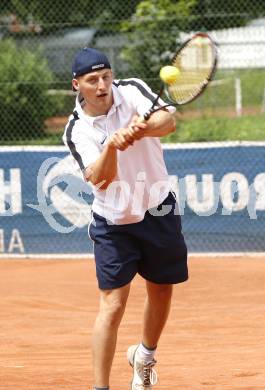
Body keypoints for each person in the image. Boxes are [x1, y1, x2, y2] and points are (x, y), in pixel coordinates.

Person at [63, 47, 188, 390]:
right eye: (93, 80)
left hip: (158, 207)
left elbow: (168, 121)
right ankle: (100, 387)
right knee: (113, 304)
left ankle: (144, 358)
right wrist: (112, 146)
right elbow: (101, 179)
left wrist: (141, 129)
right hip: (114, 222)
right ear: (78, 85)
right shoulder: (76, 130)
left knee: (162, 289)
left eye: (106, 76)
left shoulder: (131, 90)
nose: (102, 85)